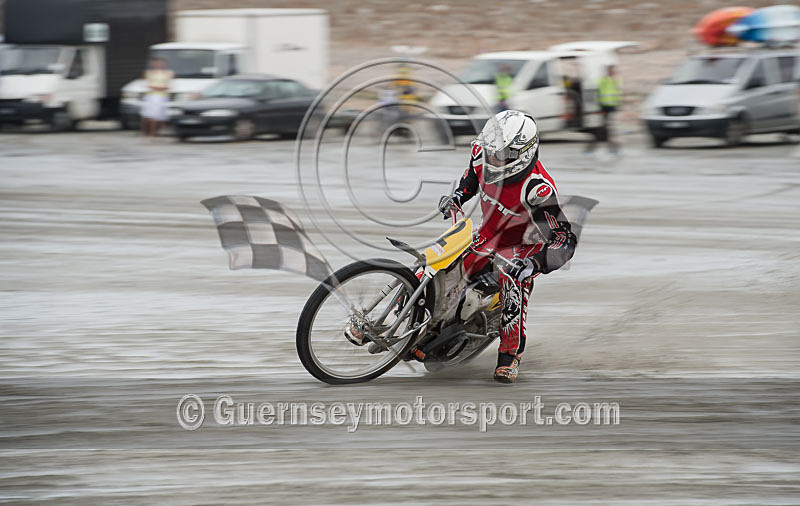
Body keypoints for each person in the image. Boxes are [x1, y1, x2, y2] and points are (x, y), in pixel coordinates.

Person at [438, 110, 577, 384]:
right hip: (486, 235)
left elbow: (564, 239)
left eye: (498, 155)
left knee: (511, 276)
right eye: (491, 152)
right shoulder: (481, 152)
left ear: (520, 154)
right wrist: (456, 198)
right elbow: (470, 180)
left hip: (521, 248)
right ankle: (405, 315)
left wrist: (534, 263)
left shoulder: (537, 189)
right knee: (443, 262)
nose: (491, 159)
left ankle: (509, 355)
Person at [587, 65, 621, 153]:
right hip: (604, 106)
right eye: (613, 70)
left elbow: (616, 94)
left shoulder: (614, 81)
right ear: (609, 71)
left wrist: (617, 105)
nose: (614, 72)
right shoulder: (603, 80)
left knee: (607, 127)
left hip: (611, 107)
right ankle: (596, 146)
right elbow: (596, 90)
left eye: (614, 70)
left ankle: (608, 147)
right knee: (605, 127)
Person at [140, 57, 174, 138]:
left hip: (162, 96)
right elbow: (145, 84)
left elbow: (169, 85)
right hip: (151, 96)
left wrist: (160, 88)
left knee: (160, 116)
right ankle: (146, 133)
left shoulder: (168, 73)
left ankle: (155, 132)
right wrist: (157, 88)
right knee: (149, 115)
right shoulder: (148, 73)